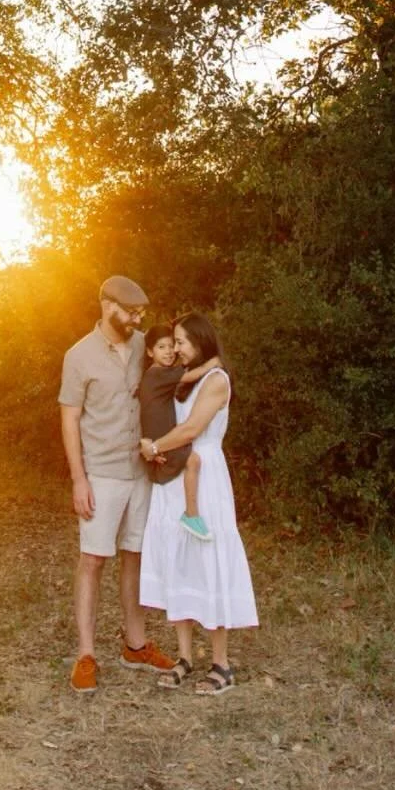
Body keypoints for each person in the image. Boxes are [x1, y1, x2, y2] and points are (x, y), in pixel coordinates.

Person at [58, 276, 177, 693]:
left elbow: (181, 371)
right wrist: (78, 479)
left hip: (141, 472)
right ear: (107, 305)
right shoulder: (78, 356)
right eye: (130, 311)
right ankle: (86, 655)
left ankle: (135, 644)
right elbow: (70, 419)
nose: (137, 318)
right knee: (93, 560)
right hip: (102, 473)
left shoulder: (146, 347)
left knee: (135, 556)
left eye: (141, 312)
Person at [137, 312, 258, 695]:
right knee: (178, 562)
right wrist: (157, 449)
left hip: (204, 476)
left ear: (201, 341)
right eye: (172, 341)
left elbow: (191, 430)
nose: (175, 348)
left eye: (182, 341)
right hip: (174, 473)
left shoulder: (216, 381)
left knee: (208, 561)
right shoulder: (182, 381)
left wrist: (155, 446)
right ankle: (185, 657)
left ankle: (221, 664)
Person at [136, 324, 213, 539]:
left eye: (172, 346)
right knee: (193, 461)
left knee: (189, 464)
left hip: (157, 434)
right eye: (162, 347)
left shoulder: (155, 374)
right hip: (160, 436)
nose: (170, 351)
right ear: (150, 352)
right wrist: (213, 363)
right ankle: (191, 514)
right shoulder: (159, 374)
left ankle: (188, 516)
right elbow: (190, 375)